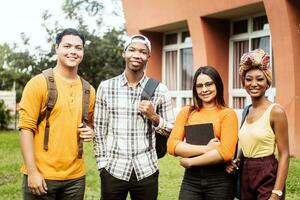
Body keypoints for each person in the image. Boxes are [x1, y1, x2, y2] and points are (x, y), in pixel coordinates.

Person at [93, 34, 175, 200]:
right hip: (113, 169)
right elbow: (99, 130)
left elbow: (173, 130)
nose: (137, 55)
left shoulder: (161, 90)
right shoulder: (106, 87)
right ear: (124, 53)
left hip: (147, 169)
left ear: (148, 57)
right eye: (132, 50)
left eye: (142, 52)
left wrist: (154, 117)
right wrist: (102, 165)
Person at [19, 28, 96, 199]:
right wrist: (32, 172)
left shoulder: (88, 90)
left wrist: (91, 131)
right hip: (41, 176)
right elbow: (25, 129)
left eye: (78, 47)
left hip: (75, 179)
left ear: (83, 51)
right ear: (56, 48)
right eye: (67, 46)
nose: (73, 52)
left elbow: (91, 123)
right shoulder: (38, 84)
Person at [226, 49, 289, 200]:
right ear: (244, 83)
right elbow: (248, 141)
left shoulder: (276, 111)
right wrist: (238, 159)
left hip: (267, 171)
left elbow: (285, 154)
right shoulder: (246, 111)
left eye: (260, 79)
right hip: (246, 173)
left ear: (267, 82)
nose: (254, 84)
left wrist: (276, 193)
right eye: (249, 79)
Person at [167, 66, 238, 200]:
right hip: (191, 181)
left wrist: (191, 162)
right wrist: (207, 148)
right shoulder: (187, 112)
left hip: (220, 181)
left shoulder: (228, 114)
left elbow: (226, 153)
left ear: (217, 84)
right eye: (199, 86)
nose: (204, 90)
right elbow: (172, 146)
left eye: (209, 84)